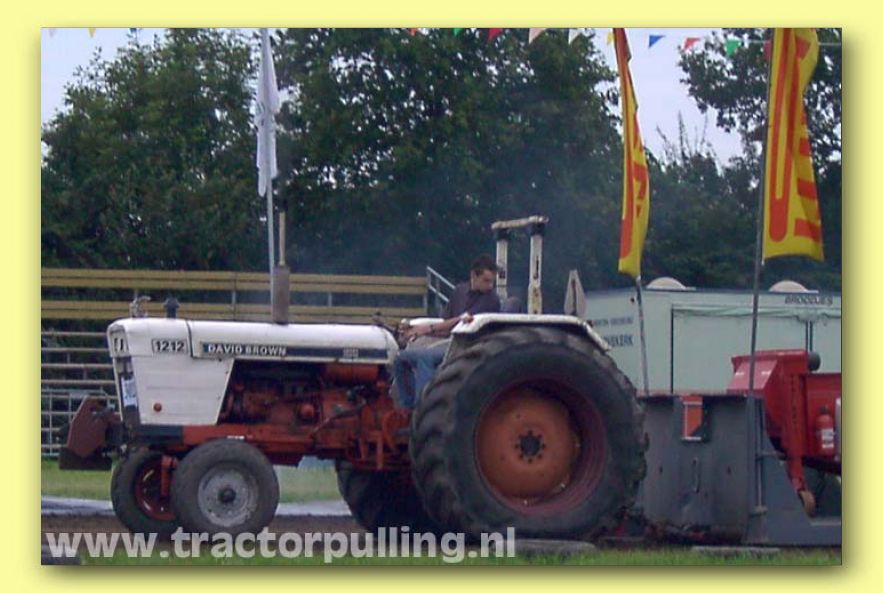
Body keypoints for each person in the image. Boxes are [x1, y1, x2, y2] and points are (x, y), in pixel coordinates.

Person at [394, 254, 501, 408]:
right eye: (486, 281)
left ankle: (423, 409)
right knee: (400, 359)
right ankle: (407, 406)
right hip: (450, 343)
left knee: (425, 358)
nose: (490, 286)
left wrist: (425, 329)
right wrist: (416, 331)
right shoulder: (459, 291)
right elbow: (446, 326)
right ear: (473, 275)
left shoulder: (491, 300)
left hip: (469, 348)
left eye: (492, 281)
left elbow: (461, 321)